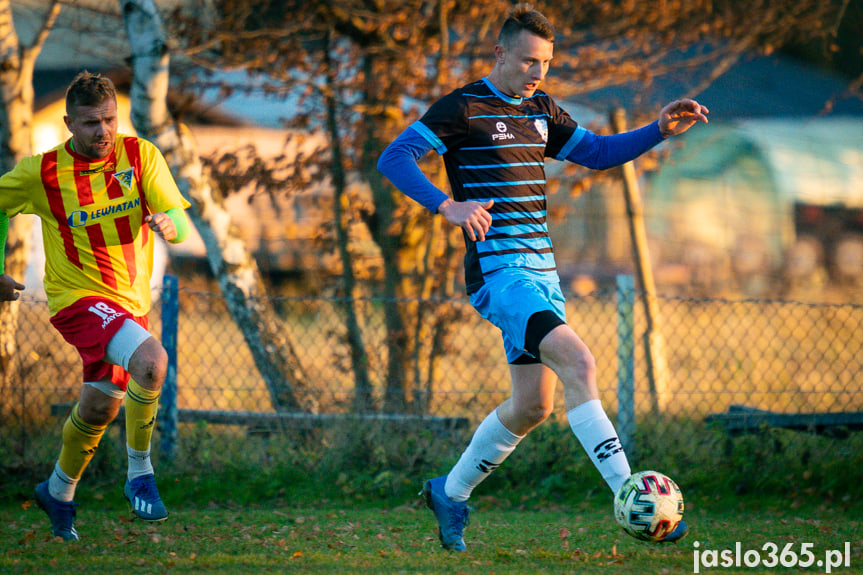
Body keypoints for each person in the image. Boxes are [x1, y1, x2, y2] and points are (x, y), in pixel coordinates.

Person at [378, 4, 708, 552]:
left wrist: (659, 129)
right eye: (529, 60)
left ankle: (449, 493)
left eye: (547, 63)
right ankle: (633, 496)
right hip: (500, 274)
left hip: (542, 275)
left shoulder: (542, 110)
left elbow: (599, 153)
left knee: (533, 406)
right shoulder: (462, 107)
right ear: (500, 53)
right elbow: (395, 158)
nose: (537, 73)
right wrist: (446, 205)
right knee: (581, 361)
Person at [0, 71, 191, 541]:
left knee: (101, 408)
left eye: (109, 119)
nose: (102, 131)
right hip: (77, 301)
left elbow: (180, 218)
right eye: (90, 123)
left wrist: (170, 224)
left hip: (130, 304)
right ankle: (140, 475)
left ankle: (58, 491)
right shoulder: (42, 173)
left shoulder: (140, 155)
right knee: (153, 361)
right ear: (69, 123)